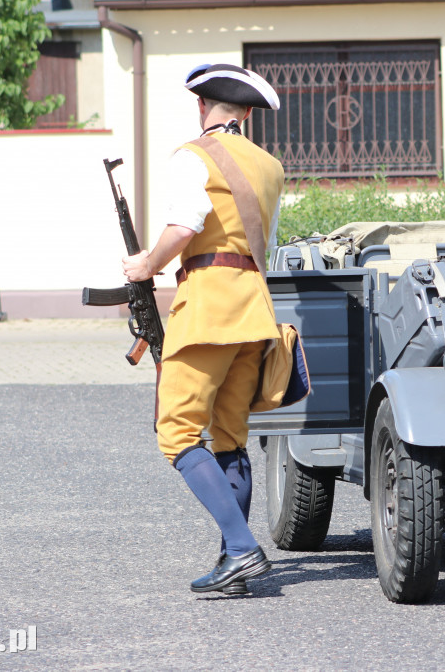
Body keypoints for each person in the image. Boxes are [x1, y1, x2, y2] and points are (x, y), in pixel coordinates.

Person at [122, 63, 284, 595]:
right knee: (230, 437)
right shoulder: (267, 165)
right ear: (245, 115)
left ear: (202, 107)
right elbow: (262, 242)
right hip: (254, 309)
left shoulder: (193, 156)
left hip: (208, 304)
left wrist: (147, 265)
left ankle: (240, 548)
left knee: (177, 431)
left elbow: (187, 222)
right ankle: (231, 566)